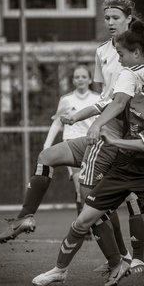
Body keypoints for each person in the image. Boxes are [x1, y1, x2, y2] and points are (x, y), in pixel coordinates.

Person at [0, 0, 144, 276]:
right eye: (106, 18)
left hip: (116, 138)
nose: (109, 22)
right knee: (48, 158)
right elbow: (106, 98)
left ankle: (124, 258)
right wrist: (78, 116)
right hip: (100, 130)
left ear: (129, 18)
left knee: (101, 199)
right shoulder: (103, 52)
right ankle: (26, 218)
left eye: (114, 17)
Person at [32, 56, 144, 286]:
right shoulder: (133, 99)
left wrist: (113, 140)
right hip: (121, 169)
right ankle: (59, 271)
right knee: (84, 219)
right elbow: (103, 107)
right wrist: (87, 121)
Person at [43, 66, 100, 217]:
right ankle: (82, 223)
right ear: (73, 80)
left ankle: (90, 219)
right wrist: (46, 146)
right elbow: (56, 123)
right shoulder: (66, 100)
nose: (80, 79)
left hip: (92, 145)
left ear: (89, 79)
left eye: (83, 76)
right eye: (77, 77)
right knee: (79, 184)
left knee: (91, 187)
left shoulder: (98, 98)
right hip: (72, 145)